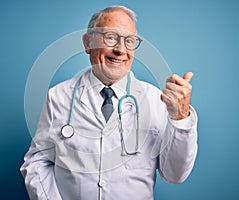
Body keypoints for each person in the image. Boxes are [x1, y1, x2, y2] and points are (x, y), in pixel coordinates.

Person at [20, 5, 198, 200]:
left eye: (129, 41)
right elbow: (37, 163)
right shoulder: (58, 96)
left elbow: (175, 174)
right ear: (88, 43)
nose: (120, 50)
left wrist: (181, 118)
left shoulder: (156, 100)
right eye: (111, 37)